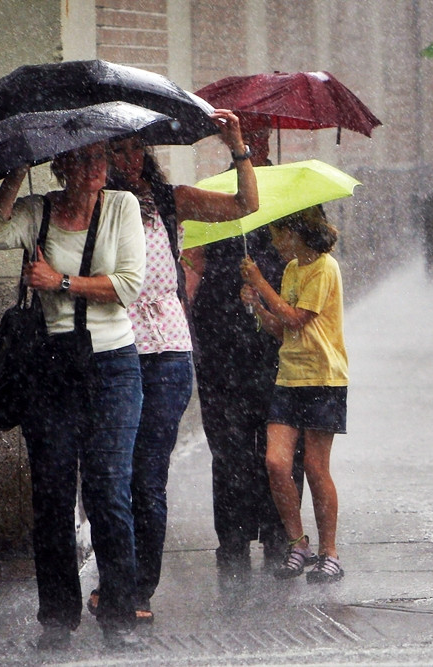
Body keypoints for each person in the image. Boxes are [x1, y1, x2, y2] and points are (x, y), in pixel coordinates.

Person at [85, 109, 259, 622]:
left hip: (169, 355)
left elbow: (246, 204)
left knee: (148, 474)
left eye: (138, 148)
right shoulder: (95, 206)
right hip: (114, 351)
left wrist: (238, 148)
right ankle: (114, 581)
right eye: (118, 150)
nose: (131, 158)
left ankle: (138, 590)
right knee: (111, 473)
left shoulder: (170, 200)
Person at [0, 142, 147, 651]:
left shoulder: (123, 206)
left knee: (108, 492)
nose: (97, 167)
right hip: (49, 369)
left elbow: (129, 285)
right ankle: (57, 616)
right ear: (61, 165)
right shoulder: (37, 210)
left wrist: (61, 281)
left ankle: (119, 613)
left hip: (112, 365)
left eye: (102, 158)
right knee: (51, 496)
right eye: (83, 158)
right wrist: (13, 177)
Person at [186, 120, 306, 583]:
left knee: (276, 446)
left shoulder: (292, 196)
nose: (255, 142)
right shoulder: (216, 198)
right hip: (224, 338)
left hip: (276, 336)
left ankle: (275, 534)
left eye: (259, 134)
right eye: (246, 136)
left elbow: (312, 263)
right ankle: (237, 538)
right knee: (233, 445)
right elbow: (192, 266)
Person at [239, 205, 348, 584]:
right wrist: (256, 307)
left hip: (322, 378)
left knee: (316, 468)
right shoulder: (289, 271)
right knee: (275, 462)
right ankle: (297, 542)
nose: (273, 243)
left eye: (277, 234)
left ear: (295, 232)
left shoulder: (324, 268)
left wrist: (260, 283)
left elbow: (298, 318)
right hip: (289, 378)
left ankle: (329, 552)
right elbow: (283, 331)